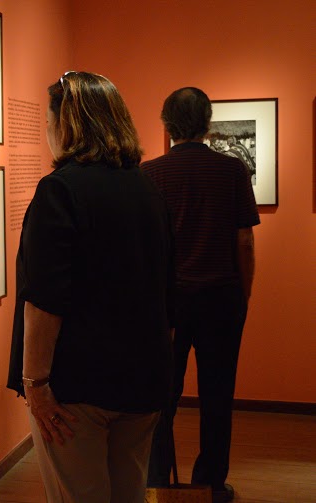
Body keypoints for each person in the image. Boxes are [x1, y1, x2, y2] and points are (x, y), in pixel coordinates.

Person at [7, 71, 174, 503]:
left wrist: (35, 384)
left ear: (65, 125)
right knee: (128, 493)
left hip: (76, 387)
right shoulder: (145, 187)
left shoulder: (59, 191)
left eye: (49, 123)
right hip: (143, 379)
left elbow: (44, 299)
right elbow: (164, 286)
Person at [141, 87, 259, 503]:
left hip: (168, 304)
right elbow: (244, 242)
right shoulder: (232, 171)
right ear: (207, 123)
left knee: (161, 396)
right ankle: (210, 484)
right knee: (217, 397)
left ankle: (158, 480)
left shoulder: (150, 173)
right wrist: (243, 296)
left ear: (166, 123)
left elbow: (147, 248)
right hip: (220, 298)